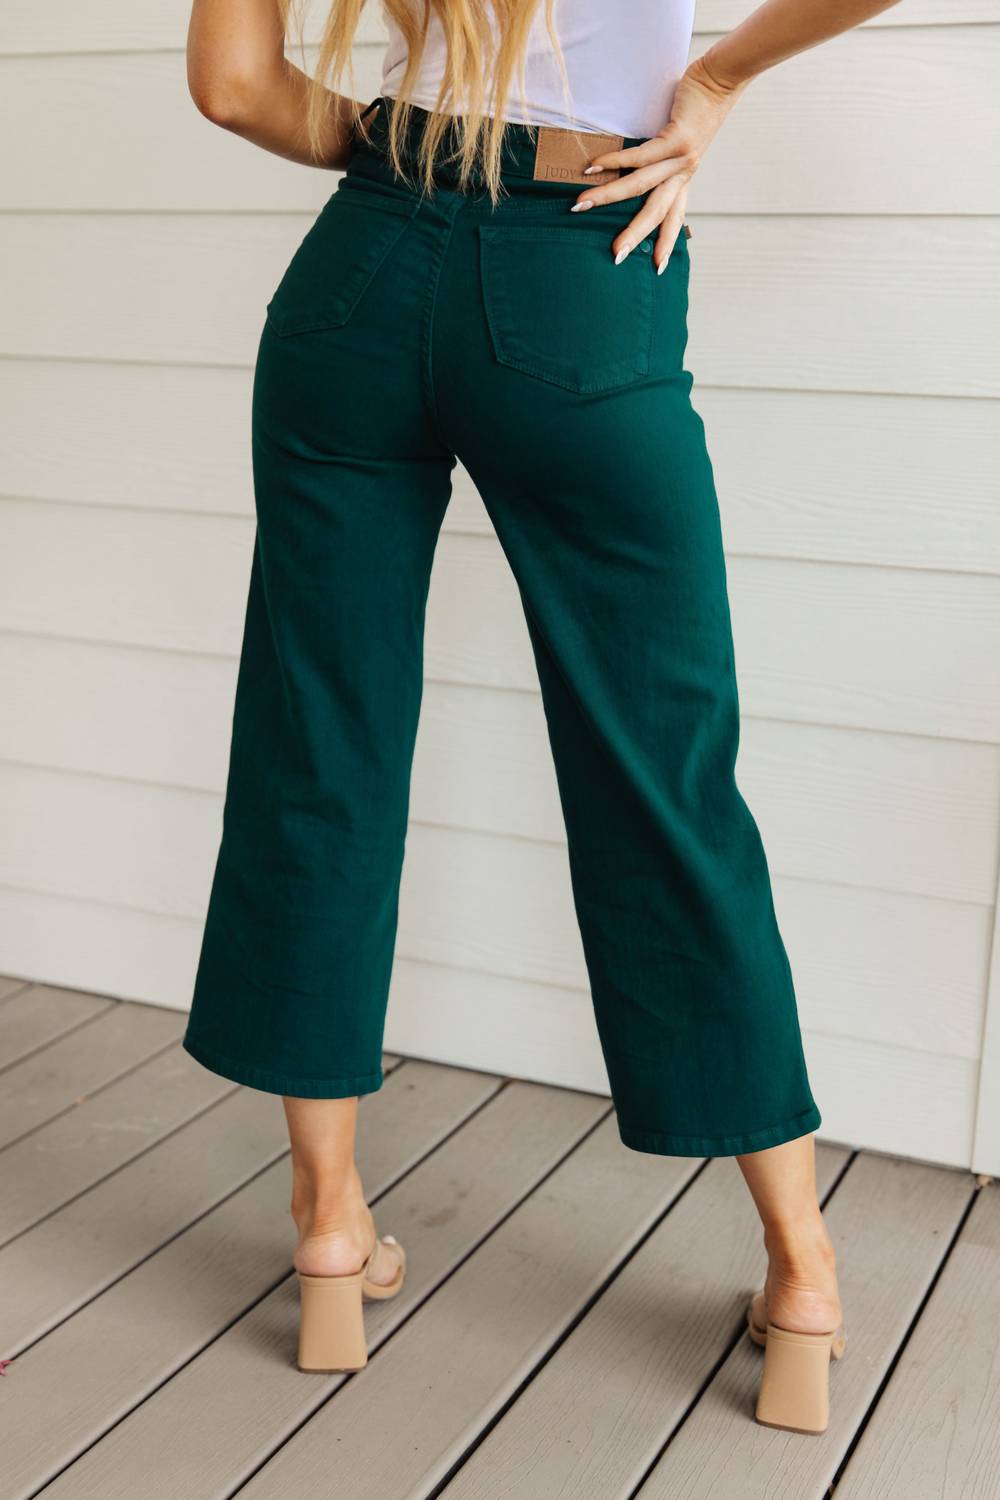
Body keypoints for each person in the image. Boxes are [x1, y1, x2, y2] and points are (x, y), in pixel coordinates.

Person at [183, 0, 897, 1434]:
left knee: (319, 751)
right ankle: (801, 1266)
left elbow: (236, 88)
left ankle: (329, 1229)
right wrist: (716, 80)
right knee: (665, 774)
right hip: (584, 263)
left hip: (362, 272)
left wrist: (412, 145)